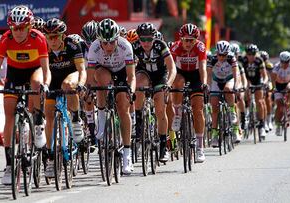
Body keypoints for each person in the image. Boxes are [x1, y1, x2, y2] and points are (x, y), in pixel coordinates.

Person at [0, 5, 51, 185]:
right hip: (15, 73)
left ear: (29, 27)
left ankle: (38, 123)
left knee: (36, 84)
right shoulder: (6, 39)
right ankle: (9, 166)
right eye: (14, 28)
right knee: (9, 115)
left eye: (22, 27)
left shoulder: (38, 38)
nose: (18, 32)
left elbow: (46, 69)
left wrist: (46, 85)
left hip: (35, 70)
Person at [86, 18, 136, 174]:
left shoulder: (125, 46)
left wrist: (131, 91)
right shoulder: (94, 48)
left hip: (122, 72)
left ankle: (127, 154)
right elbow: (90, 78)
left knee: (123, 106)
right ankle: (101, 116)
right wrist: (89, 90)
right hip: (104, 70)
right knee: (100, 80)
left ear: (117, 39)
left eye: (112, 42)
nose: (108, 46)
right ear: (99, 41)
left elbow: (132, 77)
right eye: (104, 43)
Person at [42, 18, 86, 177]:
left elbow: (82, 69)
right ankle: (51, 158)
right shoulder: (43, 46)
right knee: (49, 116)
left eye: (55, 36)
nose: (51, 40)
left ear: (62, 35)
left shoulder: (73, 44)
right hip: (52, 79)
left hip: (71, 75)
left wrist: (81, 84)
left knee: (68, 85)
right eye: (48, 37)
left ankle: (75, 119)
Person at [133, 22, 176, 162]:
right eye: (143, 39)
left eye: (149, 39)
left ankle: (164, 147)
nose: (146, 43)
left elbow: (172, 68)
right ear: (138, 38)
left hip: (160, 76)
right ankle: (138, 127)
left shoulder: (160, 45)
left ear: (153, 38)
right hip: (143, 73)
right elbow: (128, 67)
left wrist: (168, 84)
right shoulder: (134, 46)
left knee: (160, 109)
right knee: (139, 85)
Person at [170, 23, 207, 162]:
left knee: (198, 110)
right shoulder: (175, 47)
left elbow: (203, 67)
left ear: (196, 40)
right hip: (180, 73)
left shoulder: (200, 47)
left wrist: (204, 83)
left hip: (196, 75)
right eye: (186, 40)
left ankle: (200, 148)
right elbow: (170, 68)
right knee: (177, 82)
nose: (188, 43)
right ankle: (178, 112)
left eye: (191, 40)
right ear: (181, 39)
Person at [207, 40, 239, 147]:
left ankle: (232, 114)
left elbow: (236, 74)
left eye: (224, 55)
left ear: (228, 53)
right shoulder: (212, 59)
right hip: (216, 81)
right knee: (214, 109)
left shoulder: (231, 58)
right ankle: (215, 135)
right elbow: (208, 76)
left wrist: (236, 86)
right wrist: (207, 87)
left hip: (228, 79)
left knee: (228, 89)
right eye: (220, 55)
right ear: (216, 53)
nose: (222, 57)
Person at [241, 44, 268, 139]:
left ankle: (261, 125)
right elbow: (240, 73)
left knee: (259, 101)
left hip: (257, 81)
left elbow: (264, 75)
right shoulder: (242, 60)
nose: (251, 56)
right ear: (246, 54)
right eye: (249, 54)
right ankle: (245, 116)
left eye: (253, 54)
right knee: (243, 98)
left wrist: (264, 82)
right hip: (246, 80)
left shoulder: (259, 60)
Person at [271, 51, 290, 136]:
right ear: (280, 60)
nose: (284, 64)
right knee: (279, 106)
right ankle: (278, 126)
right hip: (278, 85)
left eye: (287, 62)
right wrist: (274, 88)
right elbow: (273, 79)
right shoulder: (277, 67)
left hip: (289, 83)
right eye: (282, 62)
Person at [230, 42, 246, 142]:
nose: (234, 56)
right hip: (226, 84)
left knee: (239, 98)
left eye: (236, 54)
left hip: (237, 84)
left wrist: (242, 87)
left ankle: (242, 117)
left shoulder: (239, 65)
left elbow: (242, 78)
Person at [260, 50, 274, 131]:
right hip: (258, 82)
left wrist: (272, 86)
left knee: (267, 98)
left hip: (267, 82)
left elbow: (272, 77)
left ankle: (268, 121)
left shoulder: (269, 65)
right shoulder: (257, 64)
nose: (263, 61)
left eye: (264, 59)